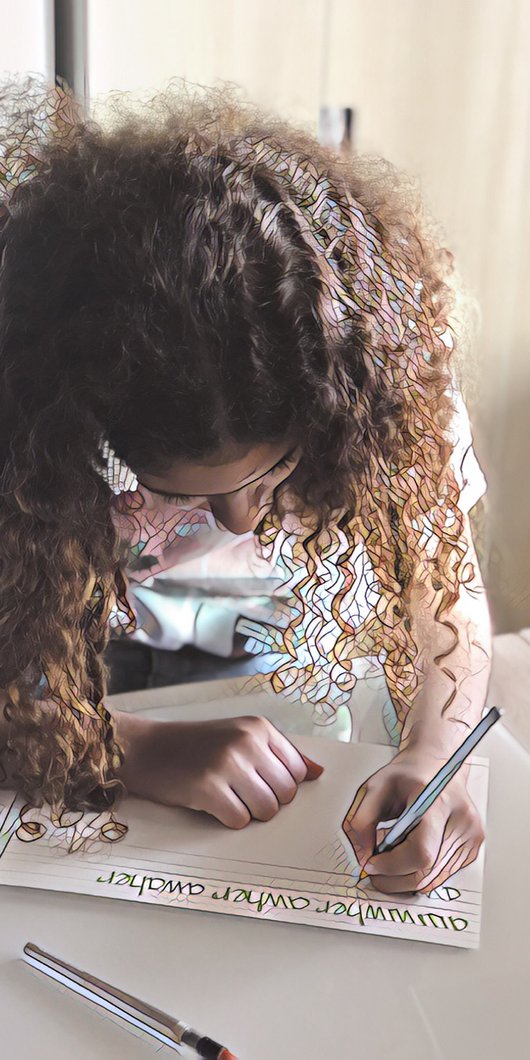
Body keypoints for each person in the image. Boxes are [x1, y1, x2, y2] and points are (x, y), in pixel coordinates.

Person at [0, 76, 491, 896]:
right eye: (176, 490)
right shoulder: (29, 409)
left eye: (275, 472)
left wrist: (438, 751)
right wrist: (127, 746)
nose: (239, 520)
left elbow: (446, 584)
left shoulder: (374, 371)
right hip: (77, 706)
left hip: (323, 714)